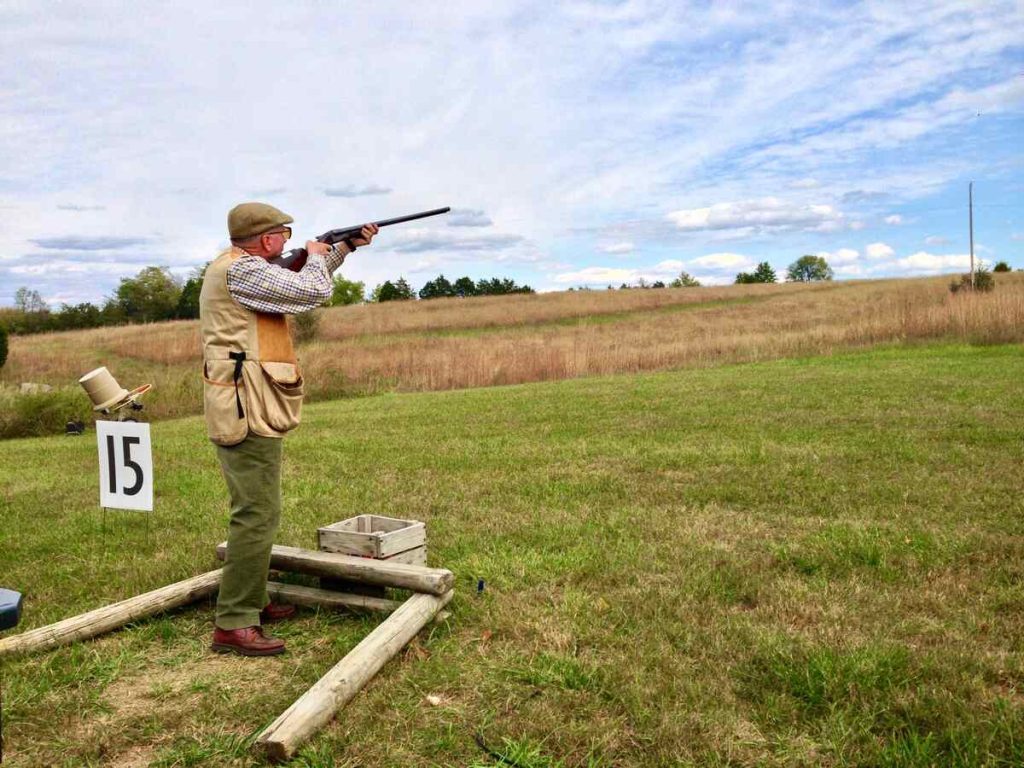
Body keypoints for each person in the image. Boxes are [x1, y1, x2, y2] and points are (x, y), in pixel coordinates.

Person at [199, 202, 377, 656]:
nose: (287, 239)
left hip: (250, 399)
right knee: (256, 512)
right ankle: (234, 621)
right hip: (245, 404)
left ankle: (253, 600)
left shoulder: (244, 268)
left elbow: (292, 284)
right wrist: (318, 254)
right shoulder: (242, 272)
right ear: (265, 241)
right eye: (282, 233)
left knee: (260, 508)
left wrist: (344, 249)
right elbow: (309, 292)